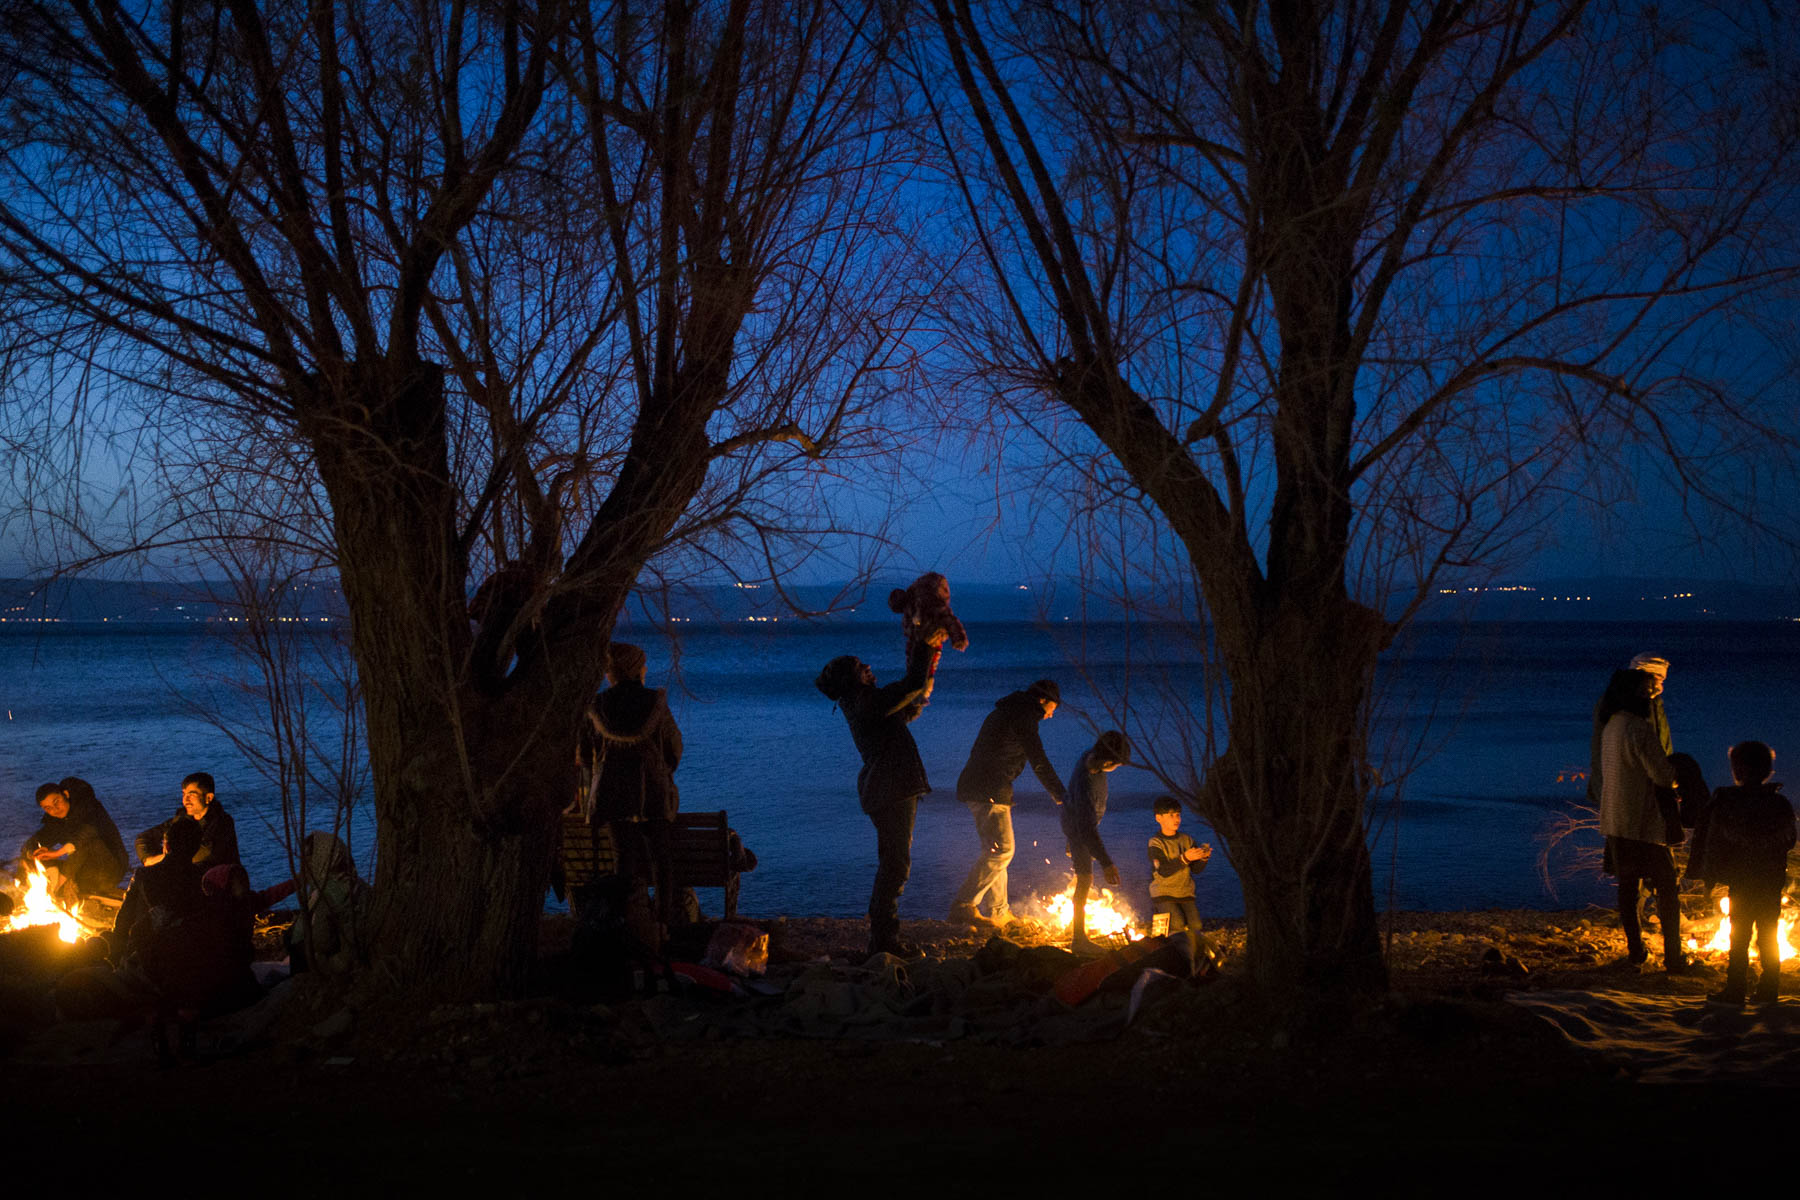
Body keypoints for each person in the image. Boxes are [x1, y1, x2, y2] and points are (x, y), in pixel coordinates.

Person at [815, 639, 934, 958]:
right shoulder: (864, 702)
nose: (868, 667)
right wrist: (924, 645)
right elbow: (909, 685)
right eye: (860, 666)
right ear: (853, 678)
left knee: (894, 864)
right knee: (895, 866)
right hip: (890, 790)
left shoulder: (864, 703)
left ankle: (883, 938)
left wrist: (921, 693)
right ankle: (884, 941)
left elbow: (904, 709)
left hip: (889, 790)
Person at [581, 643, 683, 939]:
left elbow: (586, 754)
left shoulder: (598, 706)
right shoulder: (655, 703)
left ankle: (628, 922)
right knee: (662, 860)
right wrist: (662, 770)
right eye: (643, 665)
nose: (646, 670)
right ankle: (665, 924)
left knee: (624, 860)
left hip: (612, 797)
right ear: (636, 668)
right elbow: (673, 747)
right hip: (654, 794)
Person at [948, 680, 1067, 928]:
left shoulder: (1010, 710)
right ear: (1043, 700)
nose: (1053, 714)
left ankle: (999, 911)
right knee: (1003, 850)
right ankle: (963, 906)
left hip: (983, 785)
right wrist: (1061, 794)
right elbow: (1039, 760)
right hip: (988, 788)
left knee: (995, 852)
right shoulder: (1023, 715)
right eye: (1054, 707)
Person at [1595, 668, 1686, 971]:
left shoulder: (1611, 726)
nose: (1650, 698)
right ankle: (1674, 958)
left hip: (1616, 819)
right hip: (1644, 824)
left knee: (1628, 888)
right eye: (1647, 692)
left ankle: (1637, 952)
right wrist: (1680, 776)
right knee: (1667, 890)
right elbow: (1663, 775)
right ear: (1635, 694)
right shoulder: (1638, 729)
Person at [1704, 742, 1795, 1007]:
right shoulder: (1780, 803)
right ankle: (1768, 990)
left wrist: (1711, 875)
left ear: (1739, 770)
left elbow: (1718, 839)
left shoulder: (1730, 803)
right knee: (1767, 933)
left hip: (1743, 881)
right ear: (1768, 770)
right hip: (1770, 880)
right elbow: (1789, 839)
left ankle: (1735, 990)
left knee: (1740, 936)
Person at [1062, 730, 1130, 954]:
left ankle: (1079, 937)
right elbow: (1086, 828)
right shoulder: (1086, 783)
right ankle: (1078, 939)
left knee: (1084, 878)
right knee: (1085, 879)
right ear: (1109, 761)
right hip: (1080, 831)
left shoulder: (1089, 756)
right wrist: (1106, 862)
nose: (1115, 770)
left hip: (1077, 825)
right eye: (1117, 766)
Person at [18, 777, 128, 903]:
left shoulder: (90, 808)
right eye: (48, 808)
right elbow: (35, 840)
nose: (55, 809)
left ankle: (58, 888)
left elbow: (88, 833)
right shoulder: (55, 820)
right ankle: (25, 895)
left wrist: (58, 853)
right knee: (31, 858)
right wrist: (34, 852)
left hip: (110, 869)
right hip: (84, 872)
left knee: (85, 843)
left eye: (56, 802)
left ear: (65, 794)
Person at [886, 571, 968, 710]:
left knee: (922, 675)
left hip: (929, 640)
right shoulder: (913, 607)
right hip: (924, 641)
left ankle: (917, 698)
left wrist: (958, 637)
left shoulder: (924, 601)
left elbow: (946, 617)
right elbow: (911, 639)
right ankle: (915, 700)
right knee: (919, 674)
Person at [135, 772, 239, 870]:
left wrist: (166, 858)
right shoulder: (181, 819)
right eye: (184, 794)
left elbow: (203, 854)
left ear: (208, 797)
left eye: (191, 795)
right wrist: (148, 860)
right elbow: (143, 839)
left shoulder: (222, 822)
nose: (185, 800)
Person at [1148, 794, 1211, 941]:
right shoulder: (1156, 843)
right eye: (1171, 815)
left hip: (1185, 892)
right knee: (1177, 925)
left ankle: (1193, 954)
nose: (1176, 819)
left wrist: (1203, 858)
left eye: (1178, 815)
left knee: (1196, 925)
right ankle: (1164, 944)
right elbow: (1163, 870)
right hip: (1163, 892)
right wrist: (1185, 858)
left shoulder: (1187, 840)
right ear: (1159, 818)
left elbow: (1196, 869)